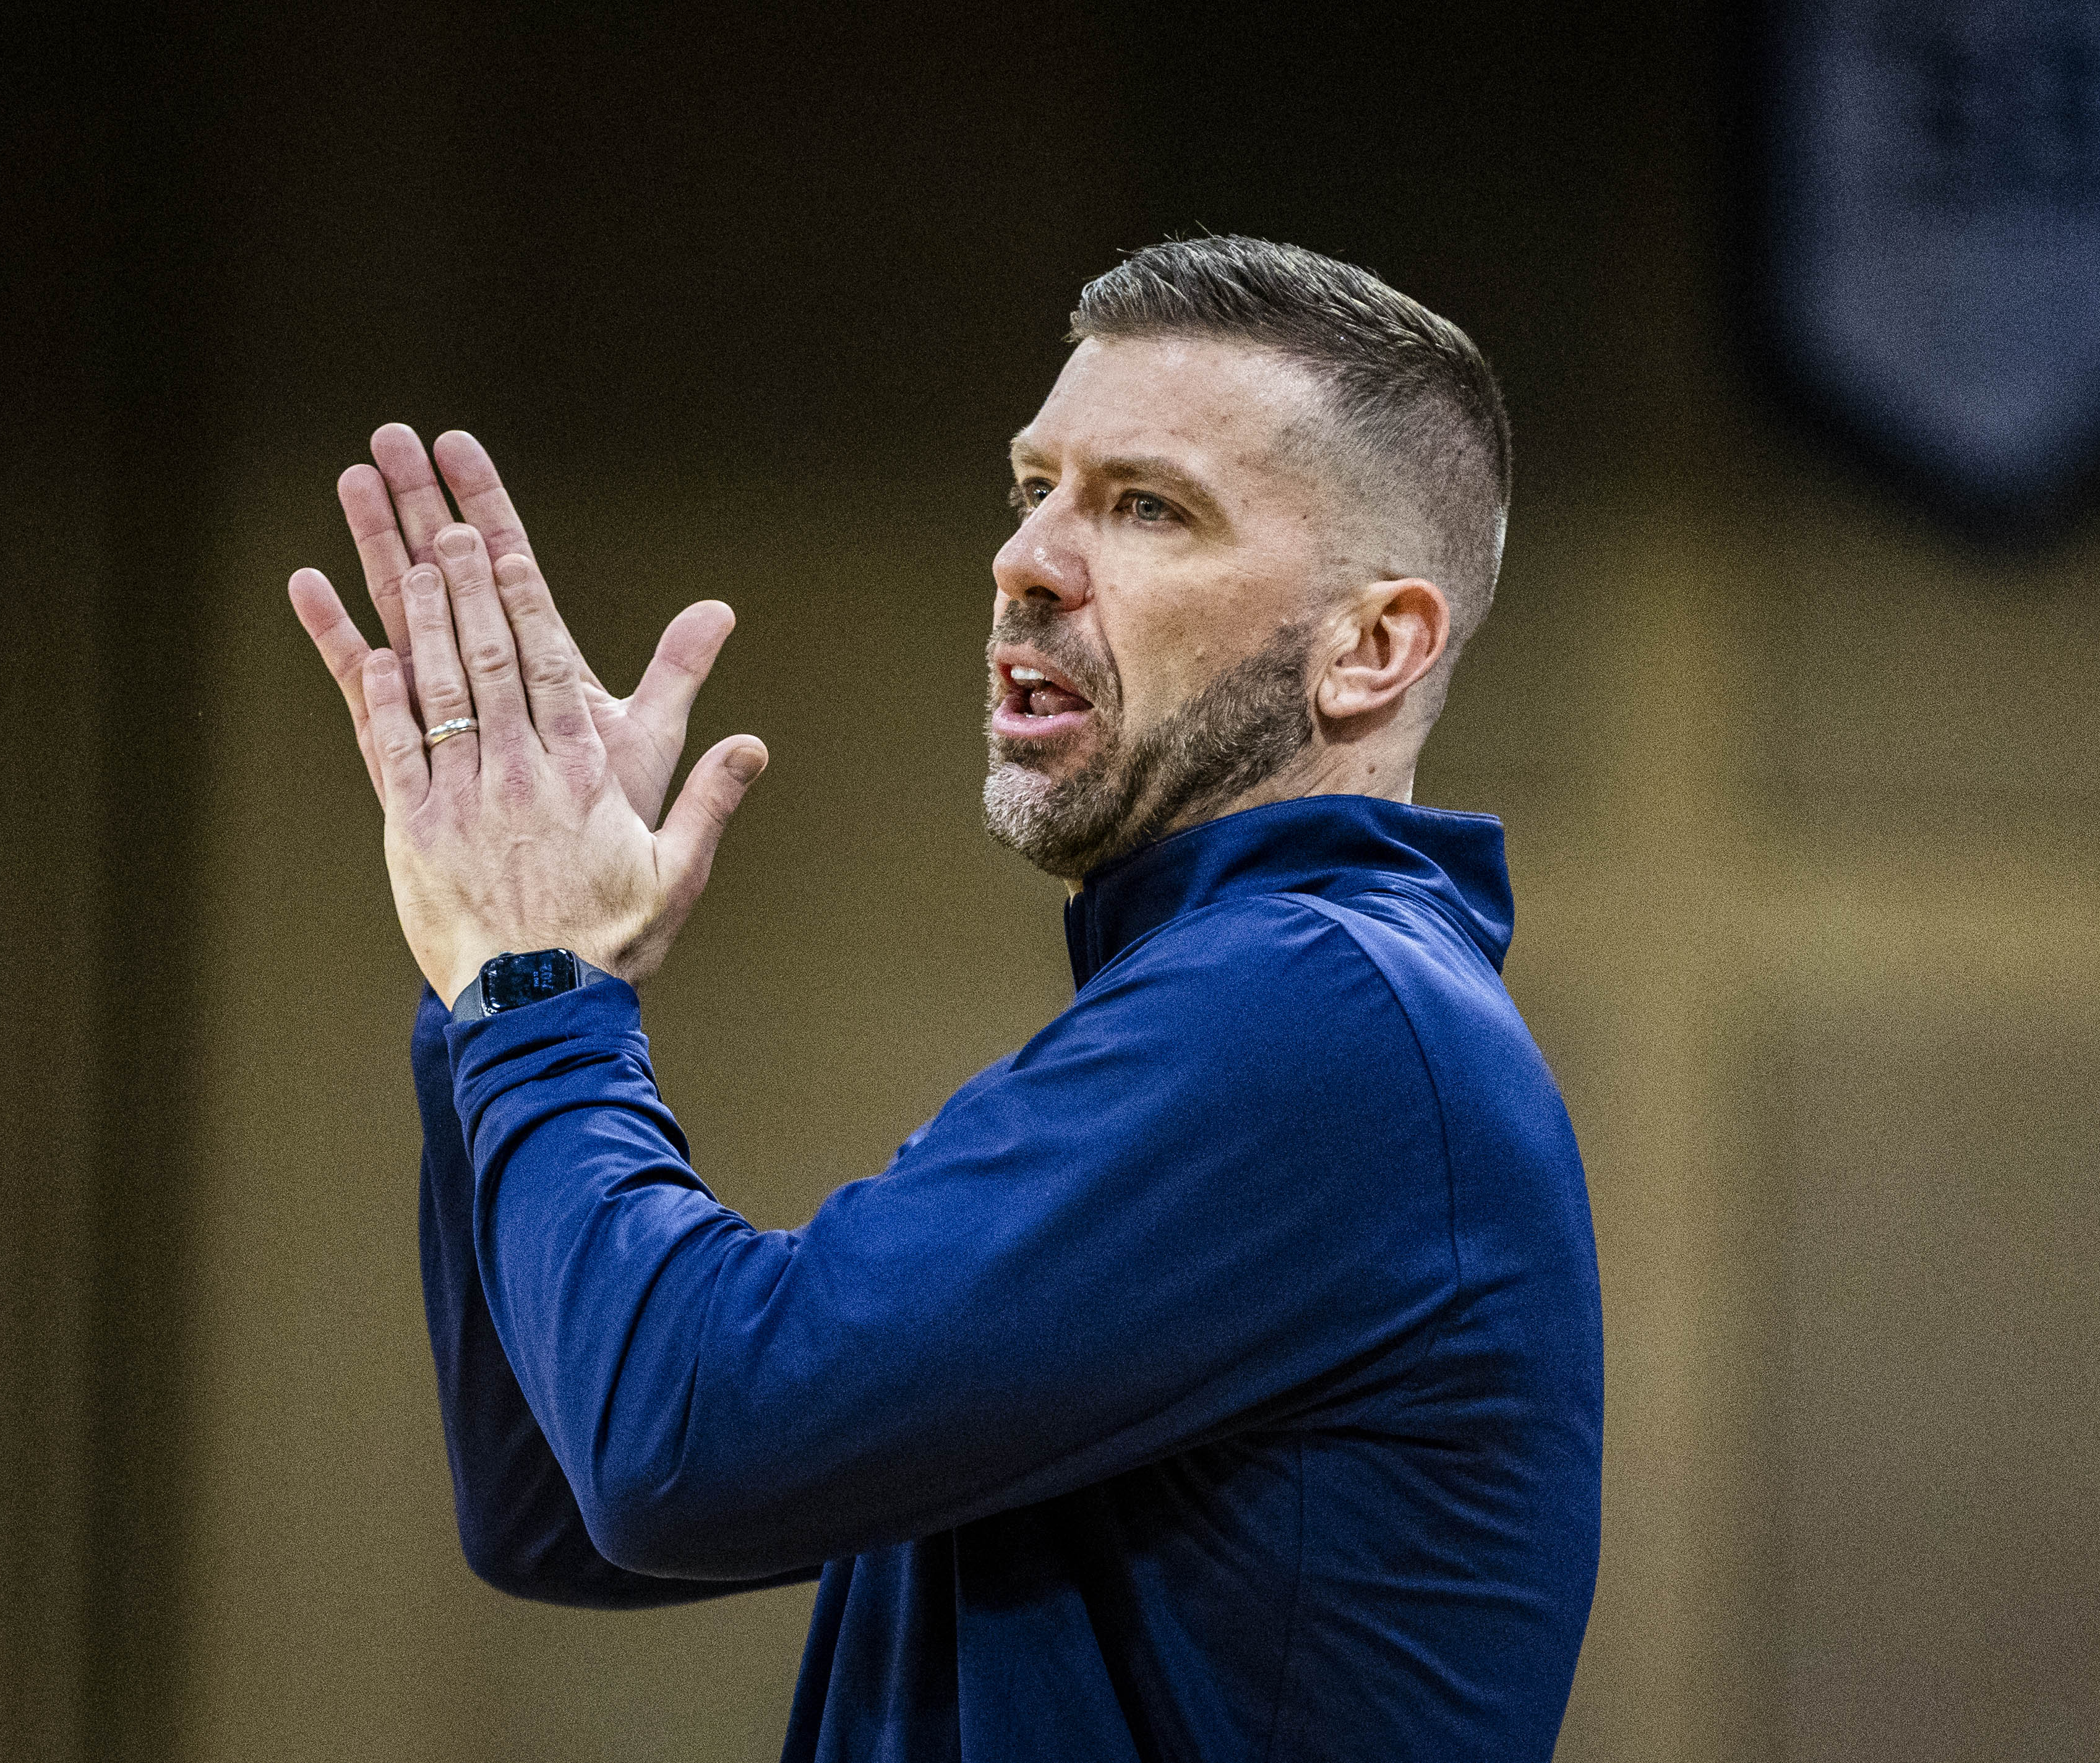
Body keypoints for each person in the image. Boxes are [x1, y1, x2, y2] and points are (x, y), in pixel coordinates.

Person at [288, 235, 1603, 1762]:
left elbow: (678, 1443)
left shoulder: (1328, 1016)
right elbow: (565, 1506)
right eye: (1029, 487)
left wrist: (532, 992)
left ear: (1372, 647)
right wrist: (495, 977)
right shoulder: (1267, 1011)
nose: (1027, 558)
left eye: (1146, 507)